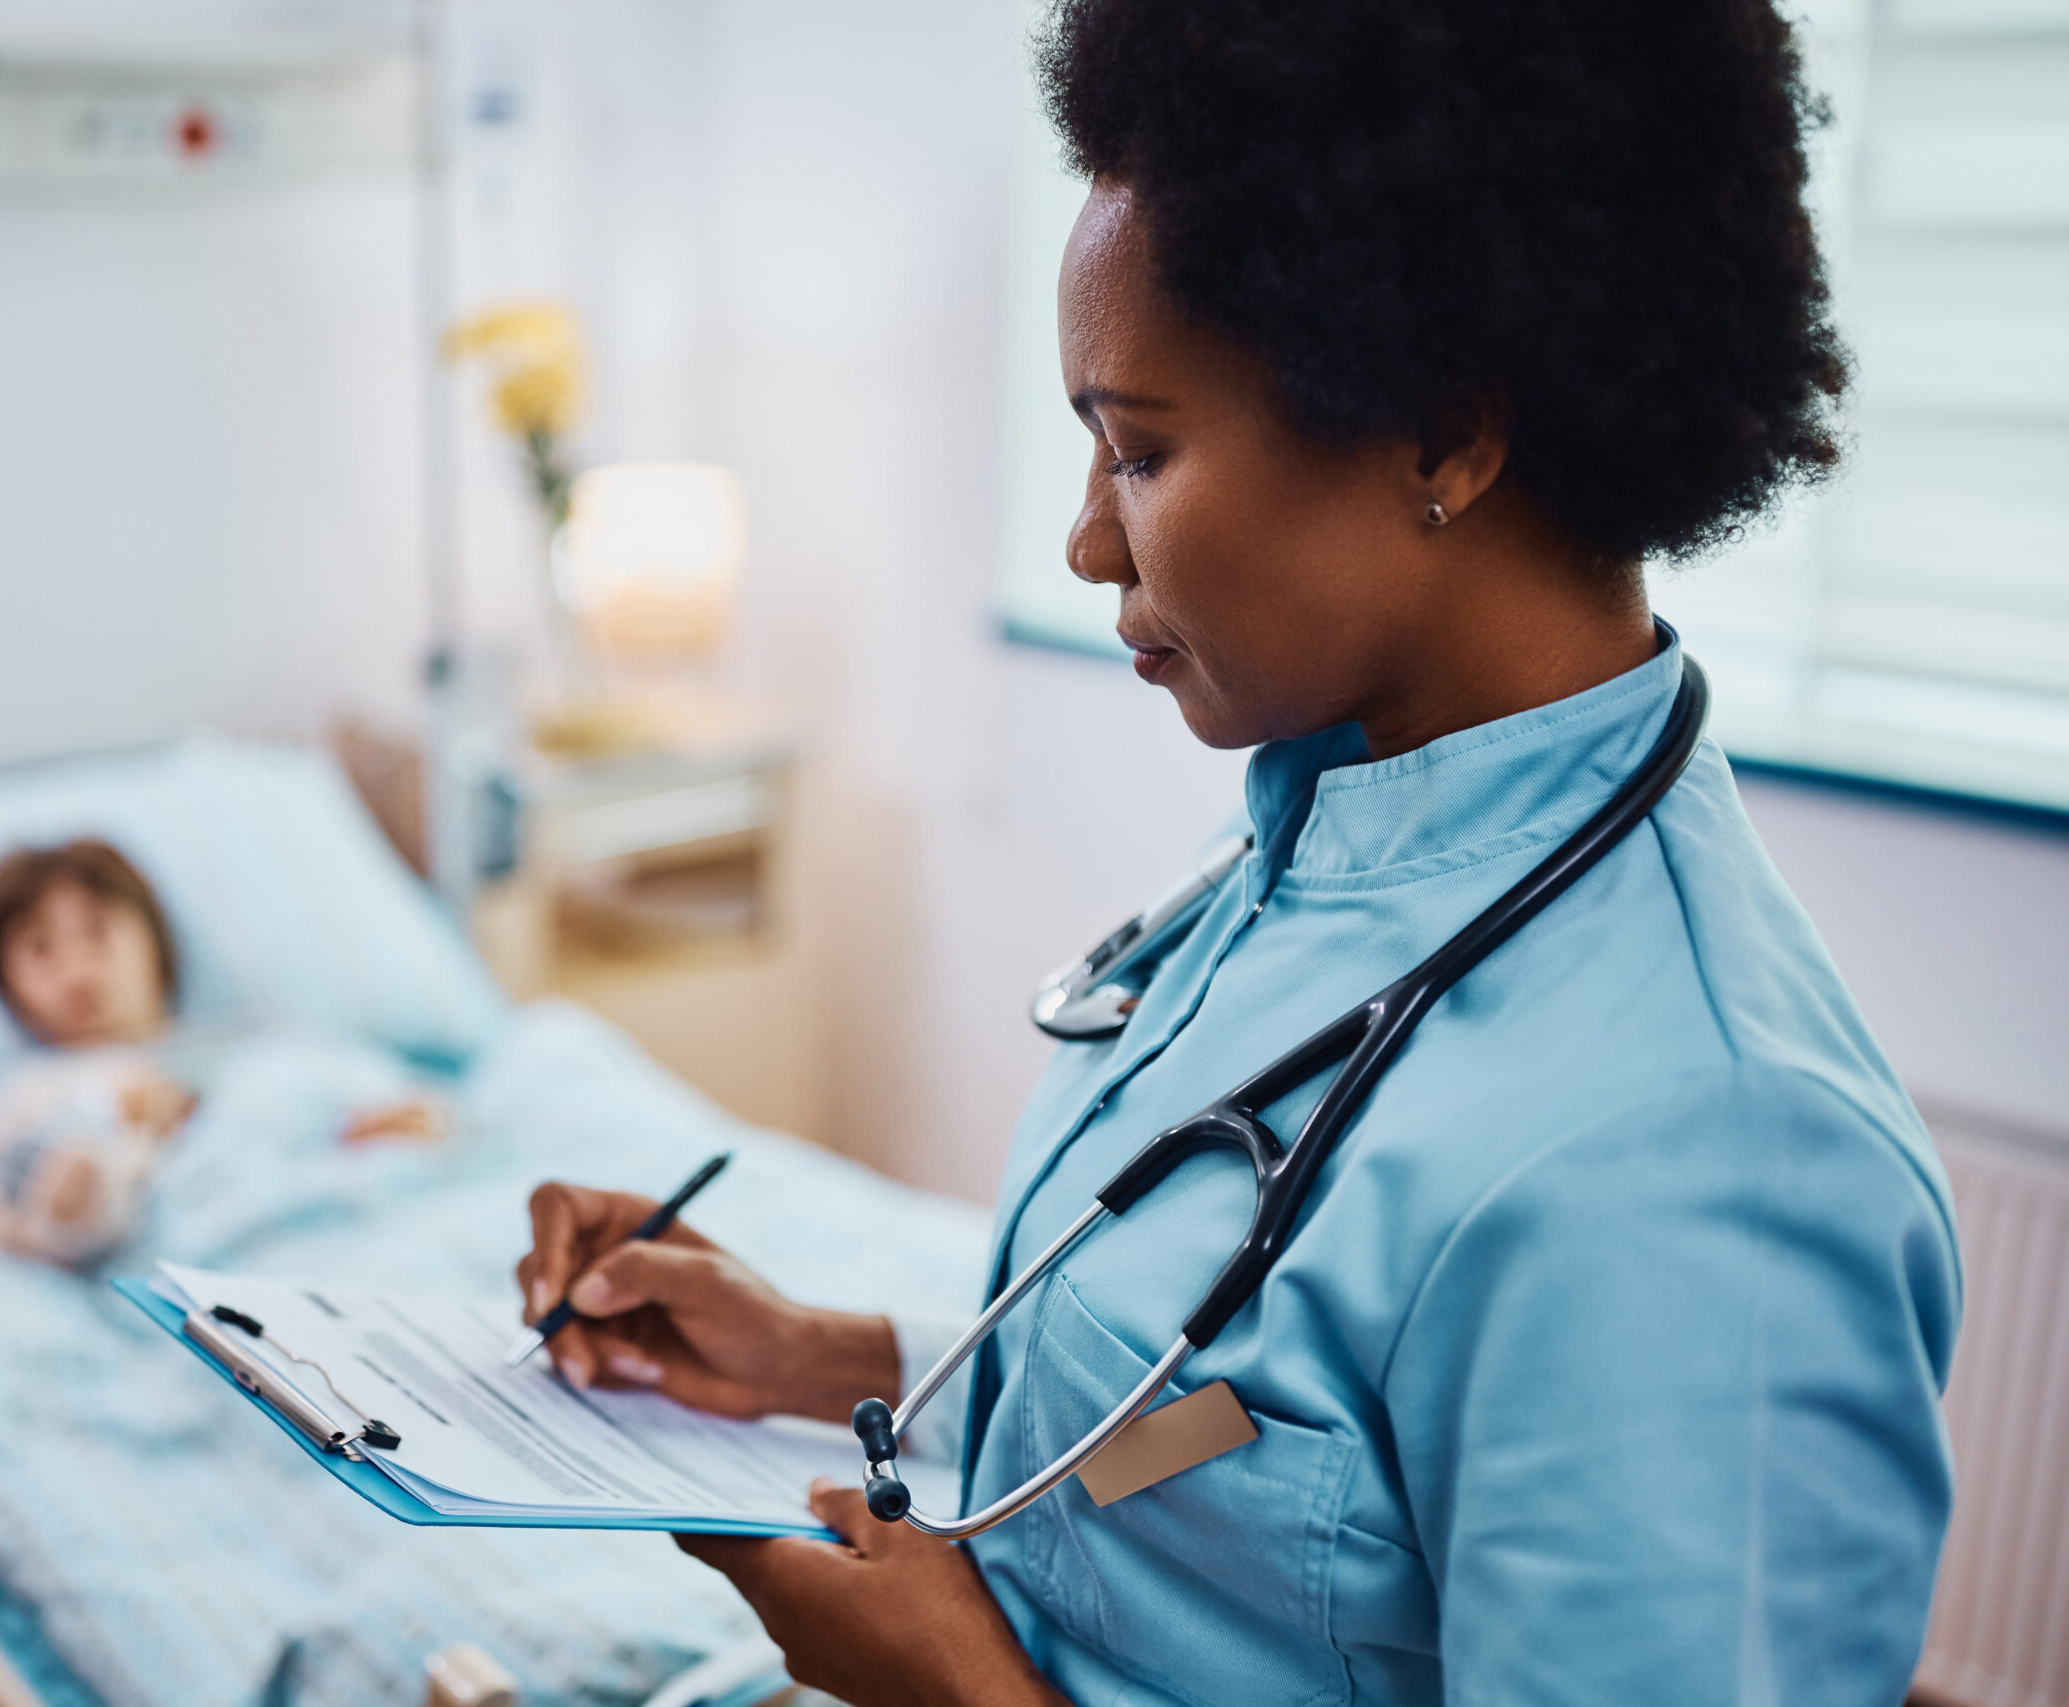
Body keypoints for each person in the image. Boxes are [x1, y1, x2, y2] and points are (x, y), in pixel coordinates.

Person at [512, 2, 1960, 1702]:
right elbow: (1240, 1443)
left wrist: (975, 1697)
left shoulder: (1705, 1170)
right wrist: (819, 1357)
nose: (1080, 534)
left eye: (1141, 446)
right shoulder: (1326, 839)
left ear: (1441, 434)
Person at [0, 838, 447, 1264]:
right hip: (211, 1252)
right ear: (7, 988)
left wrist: (377, 1124)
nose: (76, 972)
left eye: (97, 933)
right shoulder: (32, 1091)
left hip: (346, 1214)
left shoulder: (247, 1043)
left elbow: (353, 1097)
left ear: (154, 942)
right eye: (40, 950)